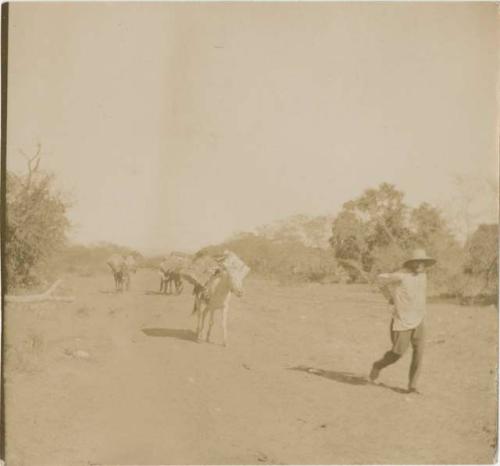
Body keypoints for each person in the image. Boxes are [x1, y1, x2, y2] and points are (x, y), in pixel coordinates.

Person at [369, 249, 437, 394]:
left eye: (423, 262)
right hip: (402, 321)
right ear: (411, 263)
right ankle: (378, 365)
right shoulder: (400, 275)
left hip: (419, 320)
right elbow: (380, 280)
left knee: (419, 353)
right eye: (417, 262)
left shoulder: (423, 276)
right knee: (398, 353)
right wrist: (390, 298)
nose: (420, 265)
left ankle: (412, 386)